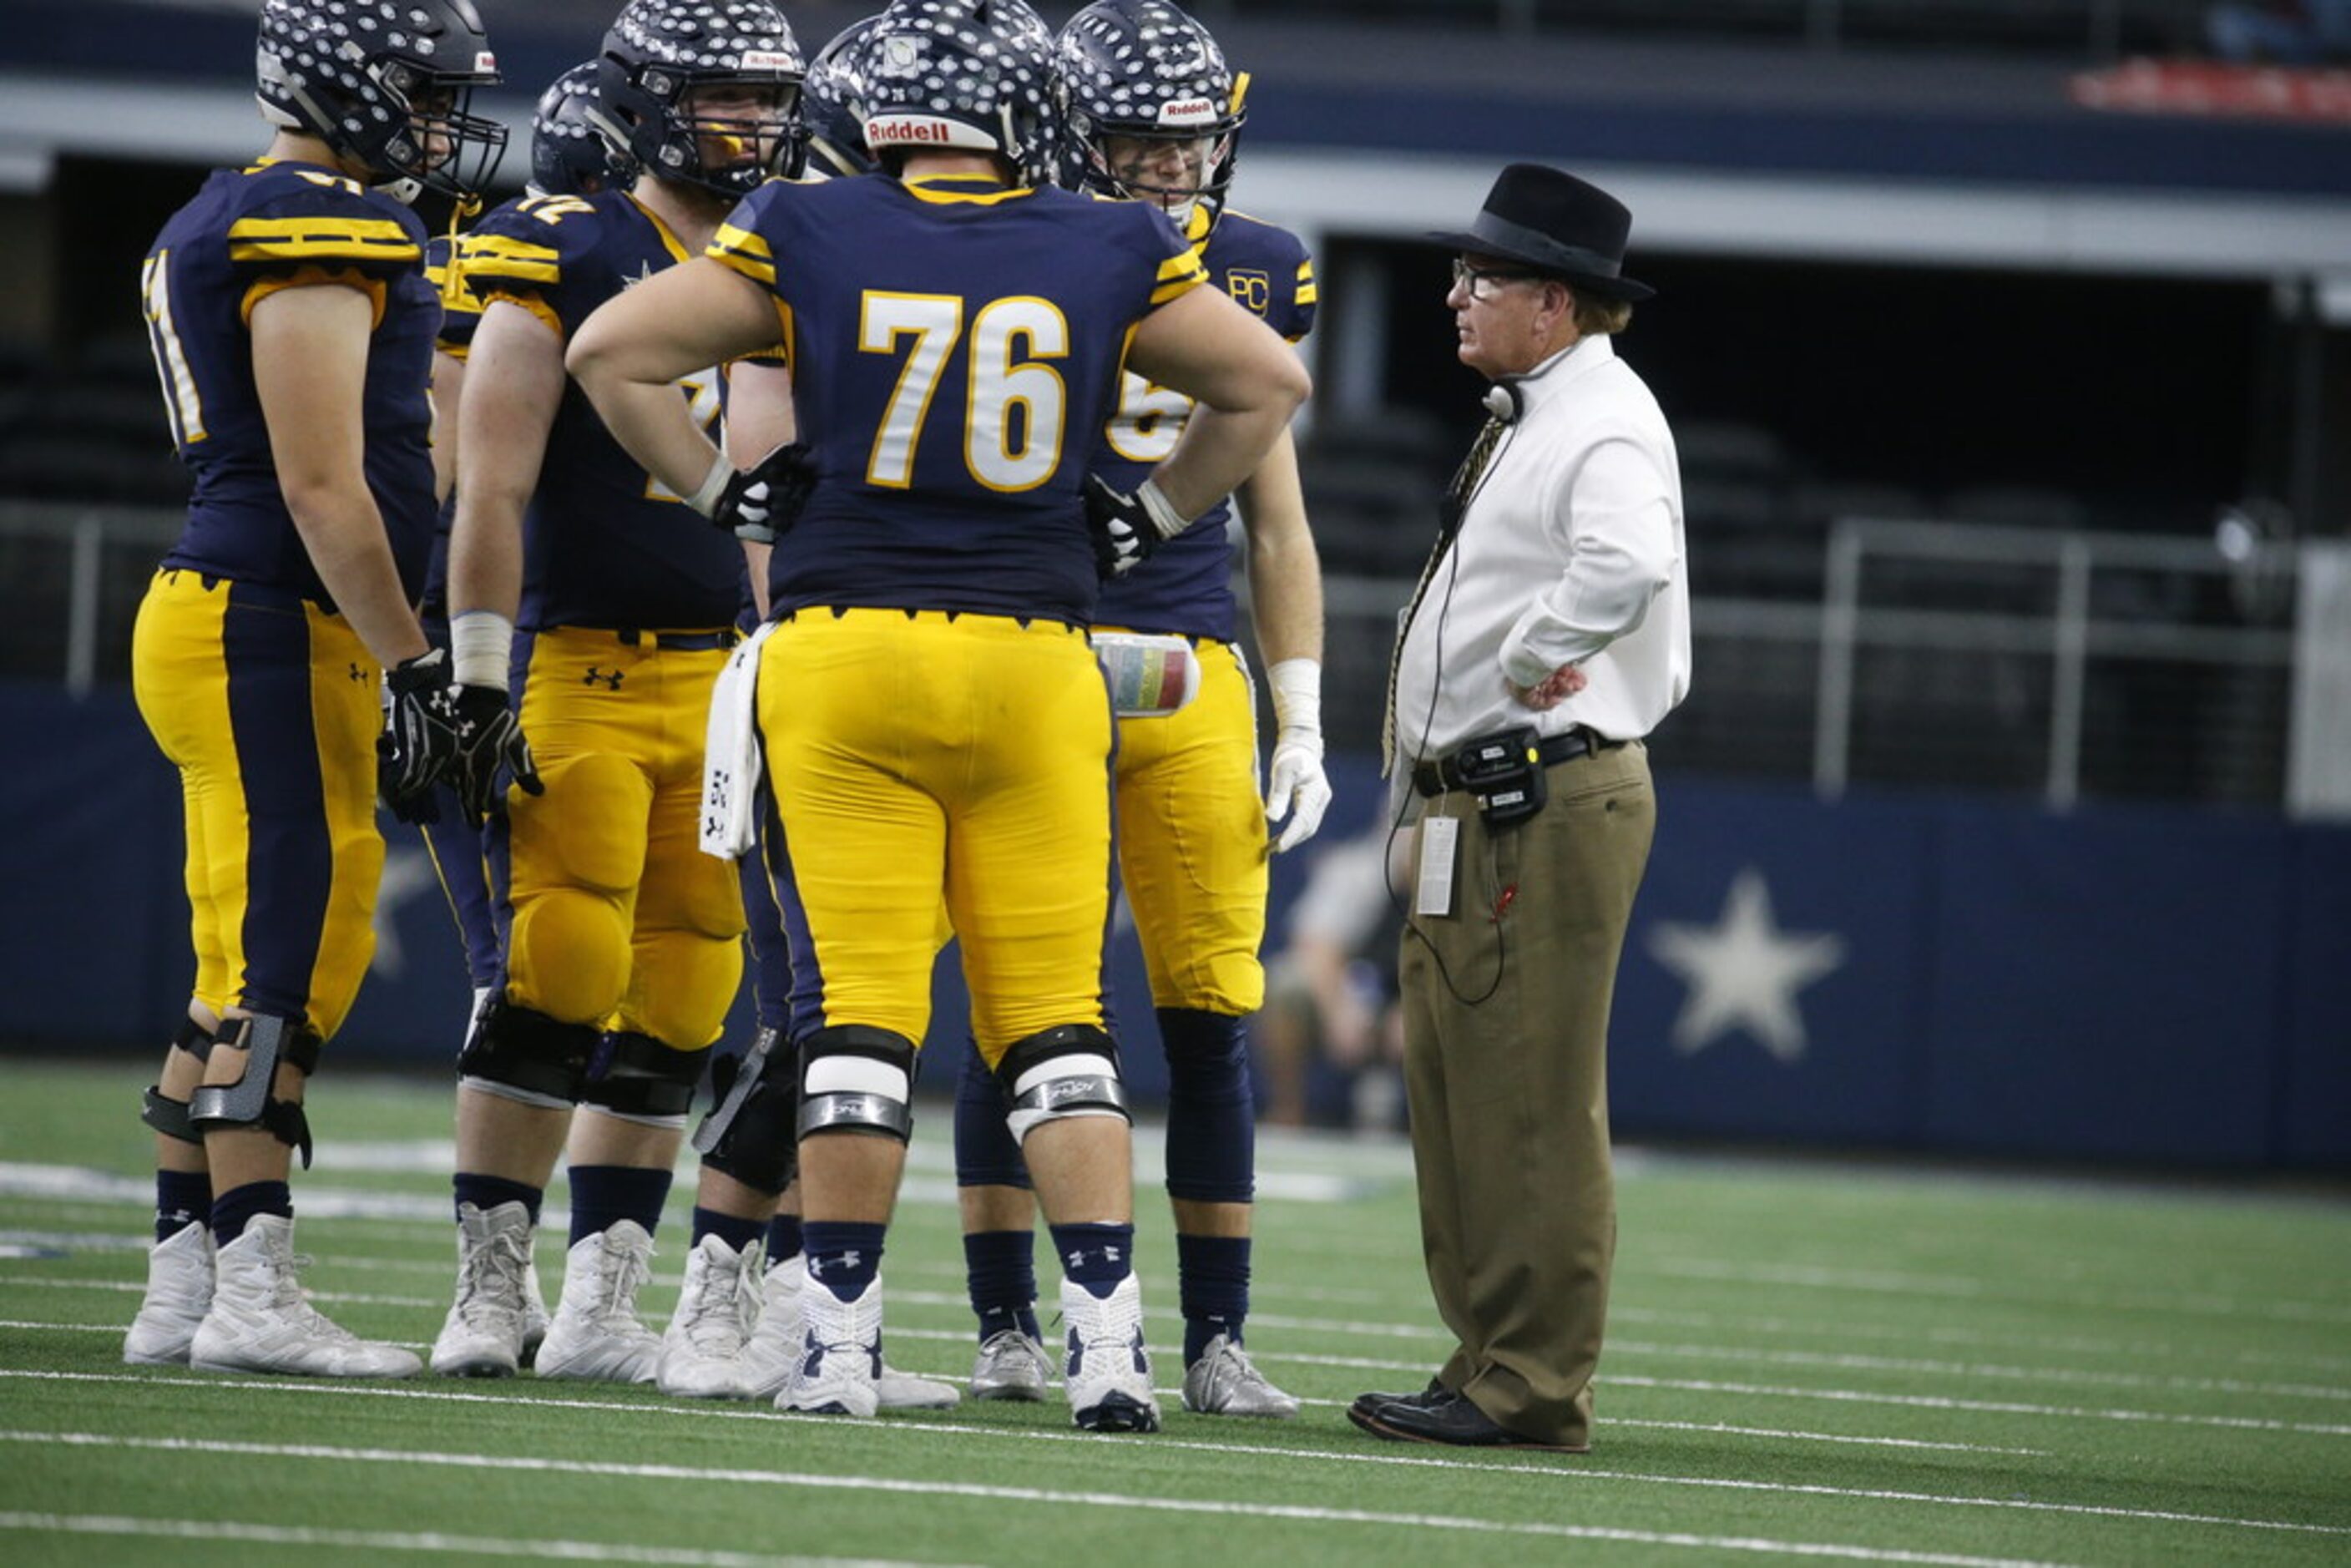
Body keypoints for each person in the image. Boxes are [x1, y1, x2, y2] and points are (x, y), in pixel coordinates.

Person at [566, 0, 1310, 1430]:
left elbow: (614, 353)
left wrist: (727, 492)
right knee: (1057, 1025)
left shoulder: (808, 222)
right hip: (1039, 657)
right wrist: (1143, 512)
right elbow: (1265, 382)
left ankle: (836, 1346)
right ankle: (1111, 1347)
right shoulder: (1108, 242)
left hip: (843, 656)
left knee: (860, 1022)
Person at [947, 0, 1327, 1420]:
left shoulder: (1256, 267)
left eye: (1189, 148)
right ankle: (1005, 1323)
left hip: (1182, 660)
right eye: (1139, 148)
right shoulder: (1012, 247)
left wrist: (1298, 708)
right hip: (1028, 648)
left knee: (1213, 1012)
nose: (1172, 175)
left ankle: (1219, 1336)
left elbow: (1275, 516)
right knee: (1023, 1007)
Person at [121, 0, 504, 1378]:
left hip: (247, 616)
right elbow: (321, 479)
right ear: (346, 85)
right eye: (423, 93)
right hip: (269, 616)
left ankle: (183, 1281)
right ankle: (252, 1288)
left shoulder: (244, 212)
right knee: (284, 953)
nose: (443, 124)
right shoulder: (317, 222)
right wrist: (419, 661)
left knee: (262, 955)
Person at [425, 0, 801, 1384]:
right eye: (722, 98)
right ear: (643, 101)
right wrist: (473, 669)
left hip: (718, 670)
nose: (751, 126)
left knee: (692, 983)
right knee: (557, 967)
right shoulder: (565, 240)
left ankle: (601, 1301)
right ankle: (488, 1286)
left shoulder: (784, 248)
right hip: (576, 650)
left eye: (767, 100)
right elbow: (492, 479)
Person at [1349, 164, 1688, 1452]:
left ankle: (1532, 1381)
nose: (1455, 293)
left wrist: (1539, 646)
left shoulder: (1600, 416)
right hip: (1481, 804)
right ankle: (1491, 1355)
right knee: (1457, 1091)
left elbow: (1631, 561)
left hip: (1537, 795)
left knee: (1530, 1100)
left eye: (1481, 276)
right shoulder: (1545, 407)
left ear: (1554, 301)